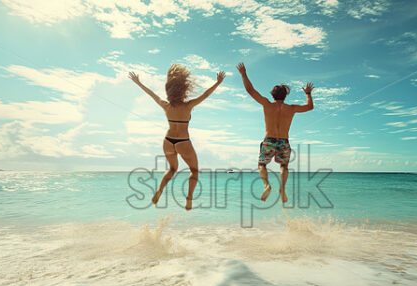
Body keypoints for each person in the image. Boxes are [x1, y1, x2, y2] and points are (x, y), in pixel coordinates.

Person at [129, 64, 225, 210]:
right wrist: (217, 82)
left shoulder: (166, 106)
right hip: (183, 142)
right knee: (194, 170)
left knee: (172, 169)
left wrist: (138, 82)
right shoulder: (188, 106)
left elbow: (152, 94)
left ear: (170, 91)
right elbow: (205, 95)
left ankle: (159, 190)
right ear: (183, 90)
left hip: (168, 141)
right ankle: (189, 198)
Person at [236, 62, 314, 203]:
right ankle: (282, 189)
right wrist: (308, 93)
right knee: (283, 166)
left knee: (262, 165)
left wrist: (243, 74)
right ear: (285, 96)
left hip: (269, 140)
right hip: (284, 141)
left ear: (272, 94)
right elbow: (310, 107)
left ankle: (266, 185)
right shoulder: (291, 108)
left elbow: (250, 90)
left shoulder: (267, 104)